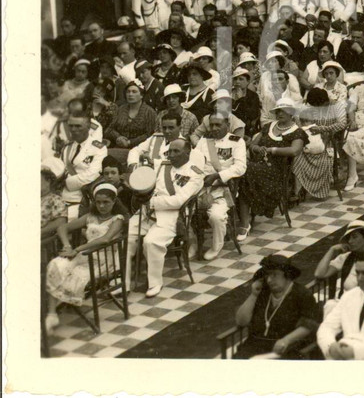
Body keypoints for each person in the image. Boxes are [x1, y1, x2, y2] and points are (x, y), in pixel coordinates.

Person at [44, 183, 125, 334]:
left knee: (76, 275)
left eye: (106, 202)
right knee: (57, 264)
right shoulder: (90, 217)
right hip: (83, 256)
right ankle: (52, 313)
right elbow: (62, 227)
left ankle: (59, 305)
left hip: (104, 261)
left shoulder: (117, 219)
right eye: (98, 202)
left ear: (114, 202)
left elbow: (105, 240)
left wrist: (77, 249)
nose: (101, 206)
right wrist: (67, 246)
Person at [134, 138, 205, 297]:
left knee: (151, 242)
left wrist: (151, 202)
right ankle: (122, 282)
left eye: (176, 151)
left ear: (187, 153)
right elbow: (143, 171)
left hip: (173, 216)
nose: (170, 155)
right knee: (126, 237)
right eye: (169, 151)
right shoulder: (162, 165)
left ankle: (154, 283)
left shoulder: (195, 173)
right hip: (147, 212)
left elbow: (179, 201)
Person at [239, 97, 306, 240]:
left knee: (243, 172)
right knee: (242, 171)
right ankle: (242, 220)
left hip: (276, 172)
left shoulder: (297, 131)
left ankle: (243, 222)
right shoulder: (269, 126)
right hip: (257, 165)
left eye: (284, 111)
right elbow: (252, 145)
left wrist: (272, 150)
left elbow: (295, 150)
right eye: (278, 111)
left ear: (291, 113)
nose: (280, 114)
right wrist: (259, 148)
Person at [233, 255, 322, 359]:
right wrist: (253, 295)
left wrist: (286, 340)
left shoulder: (301, 294)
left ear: (287, 275)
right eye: (267, 276)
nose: (269, 280)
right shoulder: (263, 292)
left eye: (274, 275)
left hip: (285, 347)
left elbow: (309, 325)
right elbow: (241, 321)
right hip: (255, 345)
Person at [192, 114, 247, 260]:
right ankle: (194, 242)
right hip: (200, 186)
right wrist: (200, 177)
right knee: (184, 211)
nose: (214, 128)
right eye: (211, 125)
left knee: (216, 216)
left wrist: (217, 176)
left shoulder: (236, 141)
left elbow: (240, 167)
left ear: (227, 125)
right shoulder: (204, 140)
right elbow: (193, 163)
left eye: (218, 125)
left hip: (224, 188)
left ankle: (216, 246)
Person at [293, 88, 346, 202]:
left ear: (324, 102)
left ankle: (320, 189)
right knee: (297, 156)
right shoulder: (312, 107)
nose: (315, 108)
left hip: (330, 143)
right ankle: (300, 189)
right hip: (312, 140)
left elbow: (342, 124)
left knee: (324, 159)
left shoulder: (337, 106)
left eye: (317, 105)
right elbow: (299, 116)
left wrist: (322, 129)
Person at [58, 113, 108, 220]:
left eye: (78, 126)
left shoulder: (99, 148)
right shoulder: (67, 147)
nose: (73, 129)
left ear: (88, 127)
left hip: (80, 197)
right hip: (60, 195)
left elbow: (92, 175)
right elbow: (59, 169)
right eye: (71, 126)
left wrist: (66, 182)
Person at [315, 220, 364, 303]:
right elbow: (319, 274)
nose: (350, 241)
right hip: (345, 304)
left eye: (354, 237)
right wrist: (332, 250)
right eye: (349, 238)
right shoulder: (346, 257)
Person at [104, 80, 158, 150]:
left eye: (134, 92)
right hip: (119, 147)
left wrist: (130, 142)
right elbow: (109, 129)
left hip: (140, 149)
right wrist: (118, 137)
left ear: (141, 95)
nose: (130, 94)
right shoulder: (120, 109)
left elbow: (149, 135)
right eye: (128, 92)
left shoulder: (149, 112)